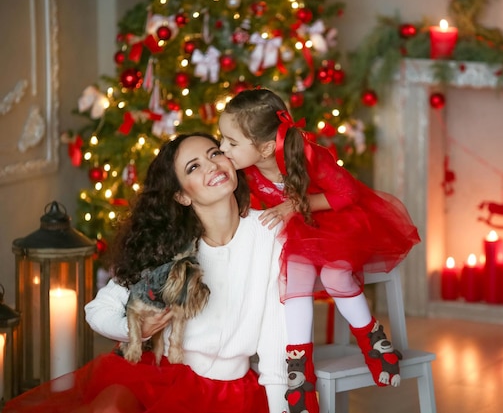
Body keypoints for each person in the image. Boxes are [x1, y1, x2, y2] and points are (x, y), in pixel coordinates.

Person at [3, 133, 289, 413]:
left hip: (229, 393)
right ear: (182, 196)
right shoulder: (165, 245)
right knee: (109, 407)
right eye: (194, 166)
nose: (212, 165)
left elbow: (276, 350)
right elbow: (98, 310)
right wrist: (136, 330)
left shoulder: (268, 234)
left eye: (214, 153)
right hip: (157, 377)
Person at [218, 88, 421, 413]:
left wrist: (295, 204)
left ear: (267, 147)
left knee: (335, 272)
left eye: (231, 142)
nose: (222, 148)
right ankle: (300, 373)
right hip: (299, 230)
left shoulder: (307, 155)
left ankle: (373, 341)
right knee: (294, 275)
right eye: (222, 139)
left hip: (335, 219)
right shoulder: (245, 169)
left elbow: (347, 193)